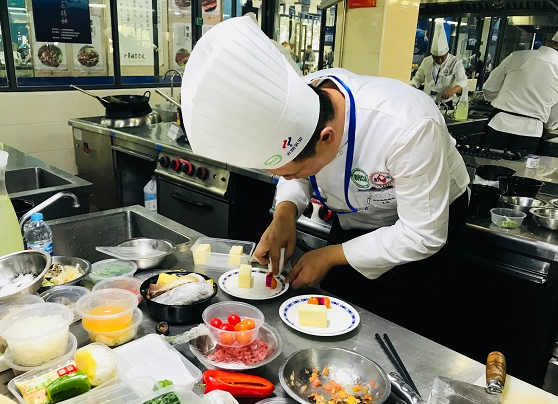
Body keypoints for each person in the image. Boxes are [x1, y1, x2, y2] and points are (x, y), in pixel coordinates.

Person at [181, 17, 470, 338]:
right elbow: (294, 167)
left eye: (293, 172)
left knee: (415, 321)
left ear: (327, 137)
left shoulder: (408, 125)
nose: (289, 177)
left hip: (425, 223)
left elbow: (422, 234)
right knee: (339, 306)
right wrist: (284, 214)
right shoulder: (302, 99)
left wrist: (331, 254)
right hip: (354, 216)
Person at [481, 32, 558, 153]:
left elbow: (489, 89)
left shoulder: (516, 56)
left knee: (487, 162)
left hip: (500, 123)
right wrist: (550, 125)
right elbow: (555, 115)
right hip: (531, 131)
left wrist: (501, 101)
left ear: (548, 43)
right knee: (521, 165)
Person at [411, 22, 467, 103]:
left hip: (446, 102)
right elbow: (418, 78)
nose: (440, 60)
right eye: (436, 58)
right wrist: (412, 86)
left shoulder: (455, 62)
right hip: (428, 101)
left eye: (442, 57)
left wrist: (452, 90)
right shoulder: (426, 61)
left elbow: (463, 80)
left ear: (447, 53)